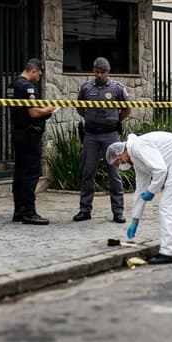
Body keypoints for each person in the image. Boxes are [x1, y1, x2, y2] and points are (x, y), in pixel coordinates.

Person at [107, 132, 172, 264]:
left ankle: (169, 252)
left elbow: (160, 170)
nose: (121, 164)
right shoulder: (137, 158)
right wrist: (135, 220)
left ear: (120, 153)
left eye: (118, 161)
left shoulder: (137, 147)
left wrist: (151, 191)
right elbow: (140, 191)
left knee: (169, 207)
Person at [73, 57, 131, 223]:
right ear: (93, 71)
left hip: (110, 135)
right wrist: (90, 118)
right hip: (91, 135)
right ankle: (85, 210)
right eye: (97, 72)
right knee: (87, 172)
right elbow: (80, 108)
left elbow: (127, 110)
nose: (99, 75)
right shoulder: (86, 88)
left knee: (114, 174)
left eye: (103, 72)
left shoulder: (117, 88)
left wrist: (114, 120)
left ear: (108, 72)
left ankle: (118, 212)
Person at [7, 58, 58, 225]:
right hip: (29, 134)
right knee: (31, 173)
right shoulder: (27, 86)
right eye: (39, 72)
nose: (40, 75)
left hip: (18, 132)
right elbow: (34, 113)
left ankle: (19, 210)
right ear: (33, 70)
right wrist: (49, 110)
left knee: (20, 172)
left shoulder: (12, 85)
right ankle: (29, 211)